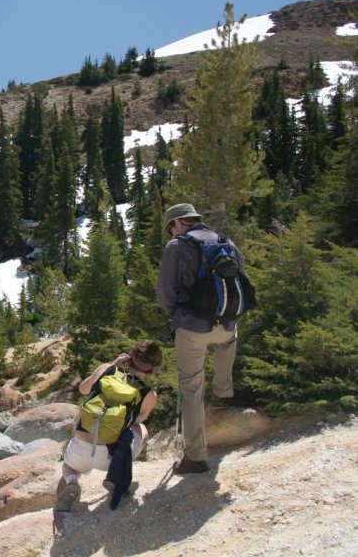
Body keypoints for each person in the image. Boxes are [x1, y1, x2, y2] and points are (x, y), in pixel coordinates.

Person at [157, 203, 244, 475]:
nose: (171, 234)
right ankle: (223, 392)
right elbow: (241, 279)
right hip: (227, 324)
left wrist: (179, 317)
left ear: (178, 223)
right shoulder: (225, 241)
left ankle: (196, 457)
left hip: (192, 327)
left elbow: (166, 292)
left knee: (192, 389)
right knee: (227, 342)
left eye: (170, 228)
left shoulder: (176, 247)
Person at [54, 340, 162, 512]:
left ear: (129, 355)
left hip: (80, 447)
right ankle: (115, 476)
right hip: (109, 456)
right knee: (141, 430)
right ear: (152, 368)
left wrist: (112, 365)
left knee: (68, 467)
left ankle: (72, 481)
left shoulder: (107, 369)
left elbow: (83, 389)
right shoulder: (149, 395)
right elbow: (137, 421)